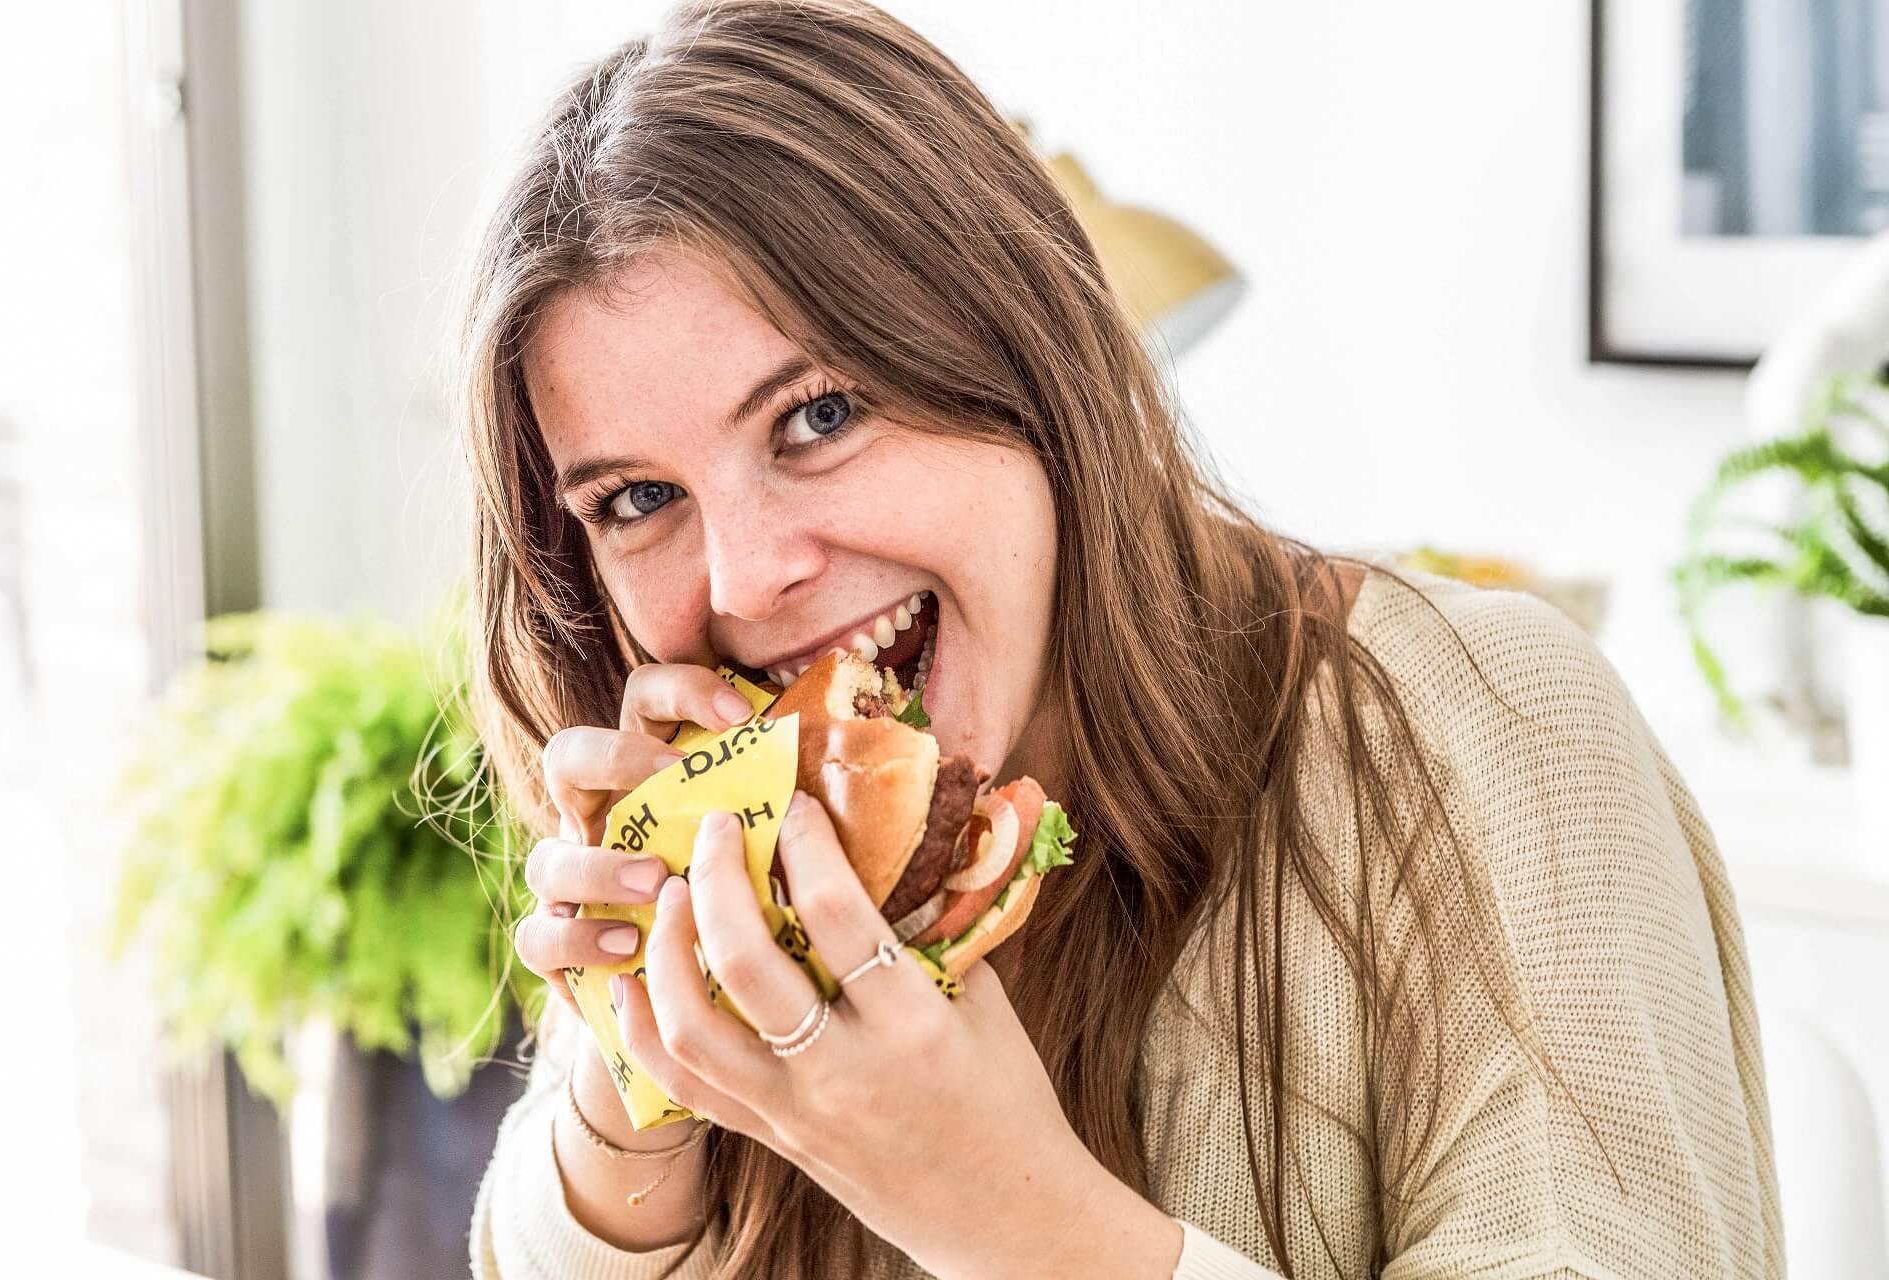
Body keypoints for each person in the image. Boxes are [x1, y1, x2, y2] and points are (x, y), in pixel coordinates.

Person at [455, 2, 1784, 1276]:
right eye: (636, 500)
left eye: (818, 416)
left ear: (1030, 357)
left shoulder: (1482, 729)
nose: (745, 581)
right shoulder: (736, 849)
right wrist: (634, 1092)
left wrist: (1019, 1223)